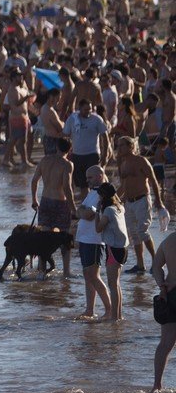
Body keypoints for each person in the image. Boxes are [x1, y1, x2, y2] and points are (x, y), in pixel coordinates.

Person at [116, 136, 165, 275]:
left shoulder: (141, 161)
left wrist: (159, 200)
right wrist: (113, 200)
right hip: (129, 202)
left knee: (142, 231)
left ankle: (156, 262)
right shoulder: (123, 164)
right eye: (118, 146)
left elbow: (154, 180)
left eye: (121, 146)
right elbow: (123, 186)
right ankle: (140, 264)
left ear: (131, 146)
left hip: (142, 199)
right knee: (134, 234)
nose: (118, 149)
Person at [31, 137, 76, 276]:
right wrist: (73, 207)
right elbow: (67, 187)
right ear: (70, 150)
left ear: (56, 147)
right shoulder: (67, 164)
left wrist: (34, 199)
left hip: (45, 201)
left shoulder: (45, 160)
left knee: (44, 237)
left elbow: (34, 181)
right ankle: (66, 272)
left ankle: (41, 270)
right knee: (65, 238)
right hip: (60, 203)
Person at [75, 165, 114, 319]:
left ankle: (109, 309)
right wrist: (81, 211)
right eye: (87, 178)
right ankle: (89, 310)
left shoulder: (103, 193)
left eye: (90, 178)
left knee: (93, 275)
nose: (87, 181)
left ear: (99, 176)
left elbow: (89, 214)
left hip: (94, 241)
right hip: (85, 239)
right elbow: (80, 211)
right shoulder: (92, 192)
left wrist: (82, 211)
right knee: (87, 275)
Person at [94, 182, 128, 322]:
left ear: (103, 196)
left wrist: (96, 212)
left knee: (113, 285)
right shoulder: (119, 207)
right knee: (117, 284)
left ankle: (114, 318)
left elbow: (98, 228)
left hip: (113, 249)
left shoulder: (108, 210)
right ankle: (118, 316)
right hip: (123, 249)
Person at [151, 232, 176, 391]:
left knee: (165, 343)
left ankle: (157, 385)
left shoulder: (169, 240)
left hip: (171, 294)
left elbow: (156, 266)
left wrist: (162, 287)